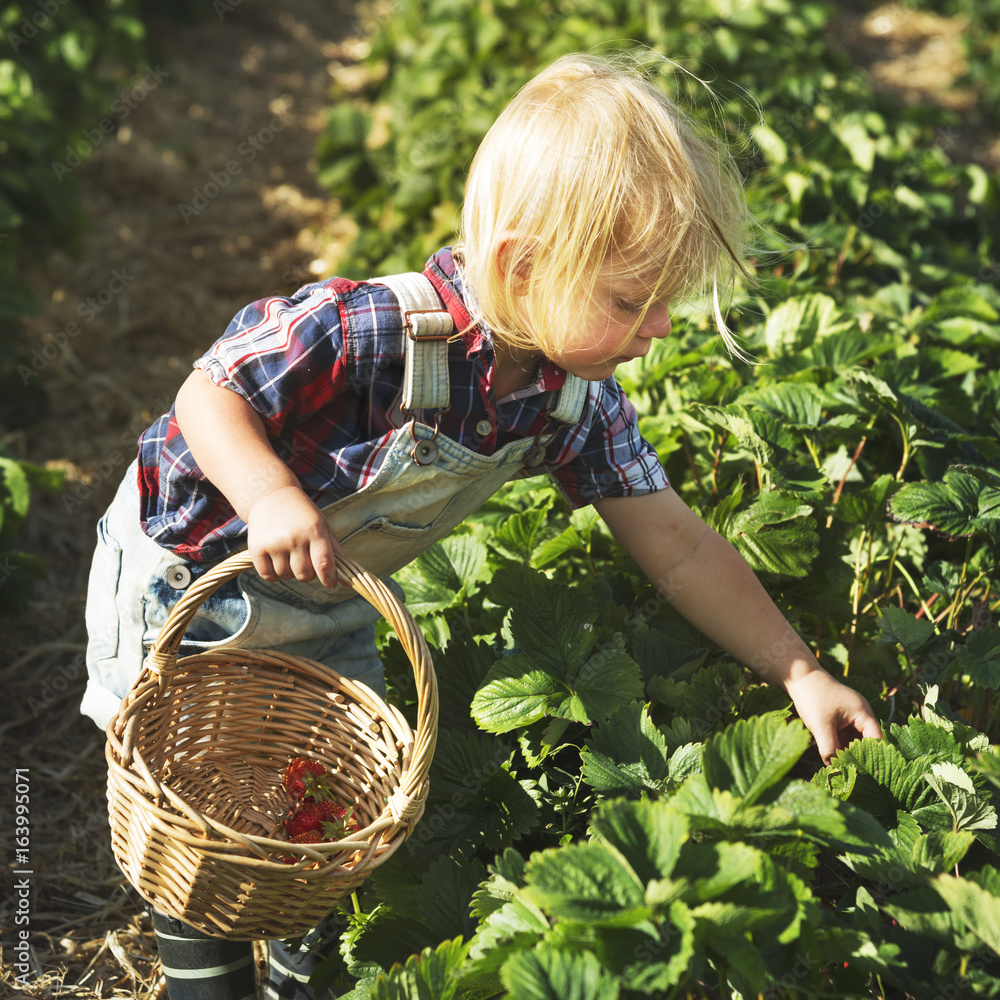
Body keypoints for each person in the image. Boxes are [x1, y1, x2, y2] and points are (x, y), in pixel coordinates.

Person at [82, 51, 882, 1000]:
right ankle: (202, 976)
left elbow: (680, 543)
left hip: (329, 595)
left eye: (665, 300)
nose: (660, 324)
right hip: (194, 577)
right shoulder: (369, 328)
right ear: (523, 266)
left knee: (334, 807)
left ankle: (309, 973)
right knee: (202, 807)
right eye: (632, 300)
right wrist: (269, 497)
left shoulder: (575, 401)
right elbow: (208, 392)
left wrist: (799, 670)